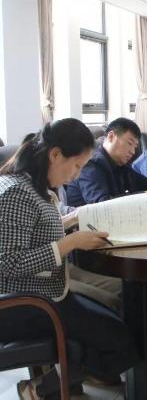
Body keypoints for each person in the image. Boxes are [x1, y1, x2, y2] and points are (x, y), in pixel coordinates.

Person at [0, 119, 139, 398]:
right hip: (25, 304)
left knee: (117, 328)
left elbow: (36, 233)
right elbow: (7, 264)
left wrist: (74, 219)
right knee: (122, 344)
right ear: (55, 154)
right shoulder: (16, 192)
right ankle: (40, 388)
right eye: (76, 166)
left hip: (50, 293)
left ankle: (61, 379)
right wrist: (70, 243)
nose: (77, 176)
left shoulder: (36, 186)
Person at [66, 117, 147, 207]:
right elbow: (101, 204)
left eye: (135, 147)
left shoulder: (121, 165)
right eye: (130, 143)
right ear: (111, 136)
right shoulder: (91, 164)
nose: (133, 151)